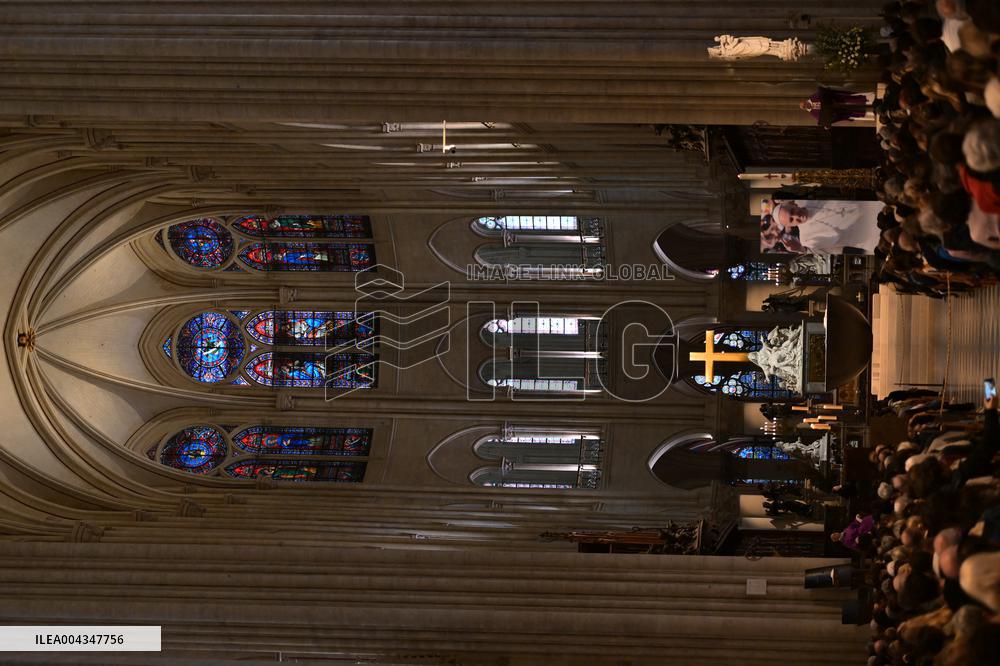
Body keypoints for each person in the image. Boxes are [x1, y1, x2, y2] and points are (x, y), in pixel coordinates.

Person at [800, 86, 875, 129]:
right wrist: (827, 125)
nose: (806, 106)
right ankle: (872, 114)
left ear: (805, 102)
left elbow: (823, 92)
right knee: (853, 112)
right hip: (839, 110)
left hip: (838, 99)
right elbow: (824, 119)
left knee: (854, 99)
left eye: (805, 104)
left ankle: (871, 99)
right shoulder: (813, 113)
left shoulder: (813, 97)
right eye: (805, 107)